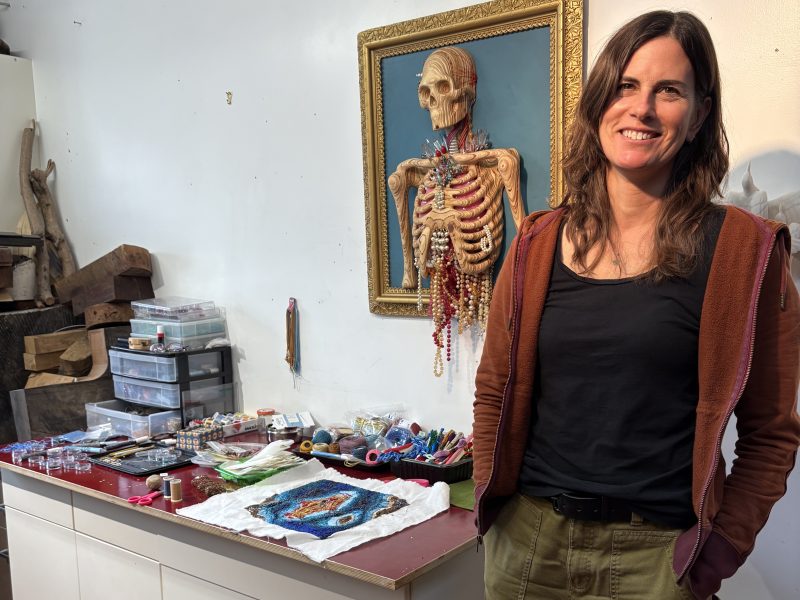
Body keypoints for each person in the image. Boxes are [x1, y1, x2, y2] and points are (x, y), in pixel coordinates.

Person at [472, 10, 799, 600]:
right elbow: (495, 388)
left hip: (655, 561)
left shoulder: (744, 252)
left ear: (699, 114)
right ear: (600, 100)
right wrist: (494, 515)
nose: (641, 108)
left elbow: (771, 434)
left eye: (668, 90)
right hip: (528, 548)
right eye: (625, 85)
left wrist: (719, 551)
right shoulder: (536, 243)